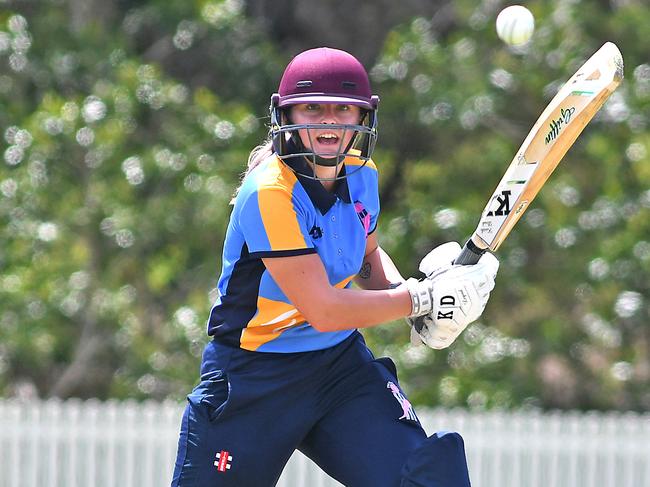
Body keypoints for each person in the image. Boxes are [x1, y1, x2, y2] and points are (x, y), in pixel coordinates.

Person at [171, 47, 499, 487]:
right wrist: (416, 299)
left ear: (363, 117)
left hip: (338, 370)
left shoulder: (362, 174)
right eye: (312, 108)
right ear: (285, 114)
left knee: (428, 478)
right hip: (254, 375)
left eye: (343, 109)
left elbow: (366, 261)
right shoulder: (269, 192)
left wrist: (420, 299)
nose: (328, 121)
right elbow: (322, 309)